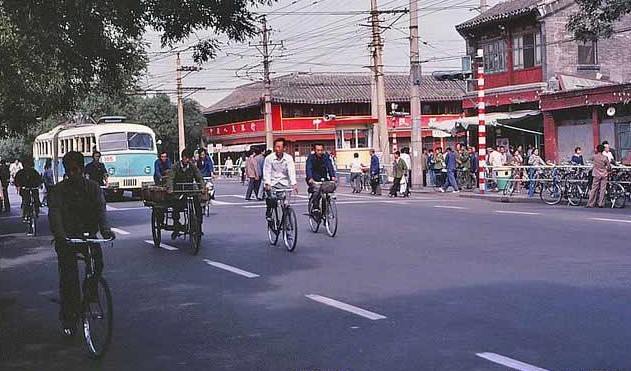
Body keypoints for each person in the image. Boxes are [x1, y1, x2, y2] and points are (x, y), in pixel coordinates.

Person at [47, 151, 115, 337]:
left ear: (81, 169)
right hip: (67, 238)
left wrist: (106, 231)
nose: (73, 174)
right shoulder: (58, 190)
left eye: (76, 170)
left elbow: (101, 211)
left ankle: (90, 292)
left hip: (88, 236)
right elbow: (55, 215)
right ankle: (69, 316)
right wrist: (61, 236)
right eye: (69, 171)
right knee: (69, 278)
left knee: (97, 263)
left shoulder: (93, 188)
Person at [166, 148, 204, 233]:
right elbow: (171, 178)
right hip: (178, 192)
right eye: (186, 158)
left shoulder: (192, 166)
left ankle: (199, 226)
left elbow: (199, 177)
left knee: (198, 205)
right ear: (182, 158)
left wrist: (202, 187)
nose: (187, 160)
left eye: (189, 158)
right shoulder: (175, 166)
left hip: (190, 190)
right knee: (176, 206)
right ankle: (176, 224)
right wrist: (170, 188)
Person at [263, 138, 298, 221]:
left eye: (279, 147)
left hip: (285, 183)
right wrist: (267, 183)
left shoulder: (288, 158)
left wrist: (294, 183)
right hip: (273, 183)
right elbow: (267, 171)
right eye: (276, 147)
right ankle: (269, 212)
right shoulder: (269, 158)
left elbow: (291, 171)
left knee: (285, 205)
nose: (277, 149)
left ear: (284, 148)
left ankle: (287, 223)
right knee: (272, 200)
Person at [305, 143, 336, 212]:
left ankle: (325, 210)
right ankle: (315, 206)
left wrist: (333, 176)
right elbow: (308, 168)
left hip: (323, 178)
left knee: (328, 189)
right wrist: (310, 178)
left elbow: (330, 166)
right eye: (318, 150)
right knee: (317, 190)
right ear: (314, 150)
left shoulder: (325, 156)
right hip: (313, 178)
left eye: (321, 150)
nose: (320, 152)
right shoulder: (311, 157)